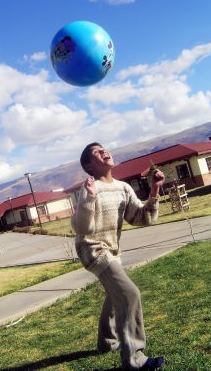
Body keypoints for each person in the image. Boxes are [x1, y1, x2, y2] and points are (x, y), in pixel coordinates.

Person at [71, 142, 166, 371]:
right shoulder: (88, 188)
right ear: (88, 165)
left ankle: (107, 341)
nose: (104, 152)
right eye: (96, 152)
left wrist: (154, 191)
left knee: (115, 296)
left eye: (104, 148)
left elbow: (142, 218)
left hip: (112, 249)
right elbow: (82, 228)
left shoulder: (123, 188)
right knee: (129, 293)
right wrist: (89, 199)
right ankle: (135, 359)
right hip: (92, 248)